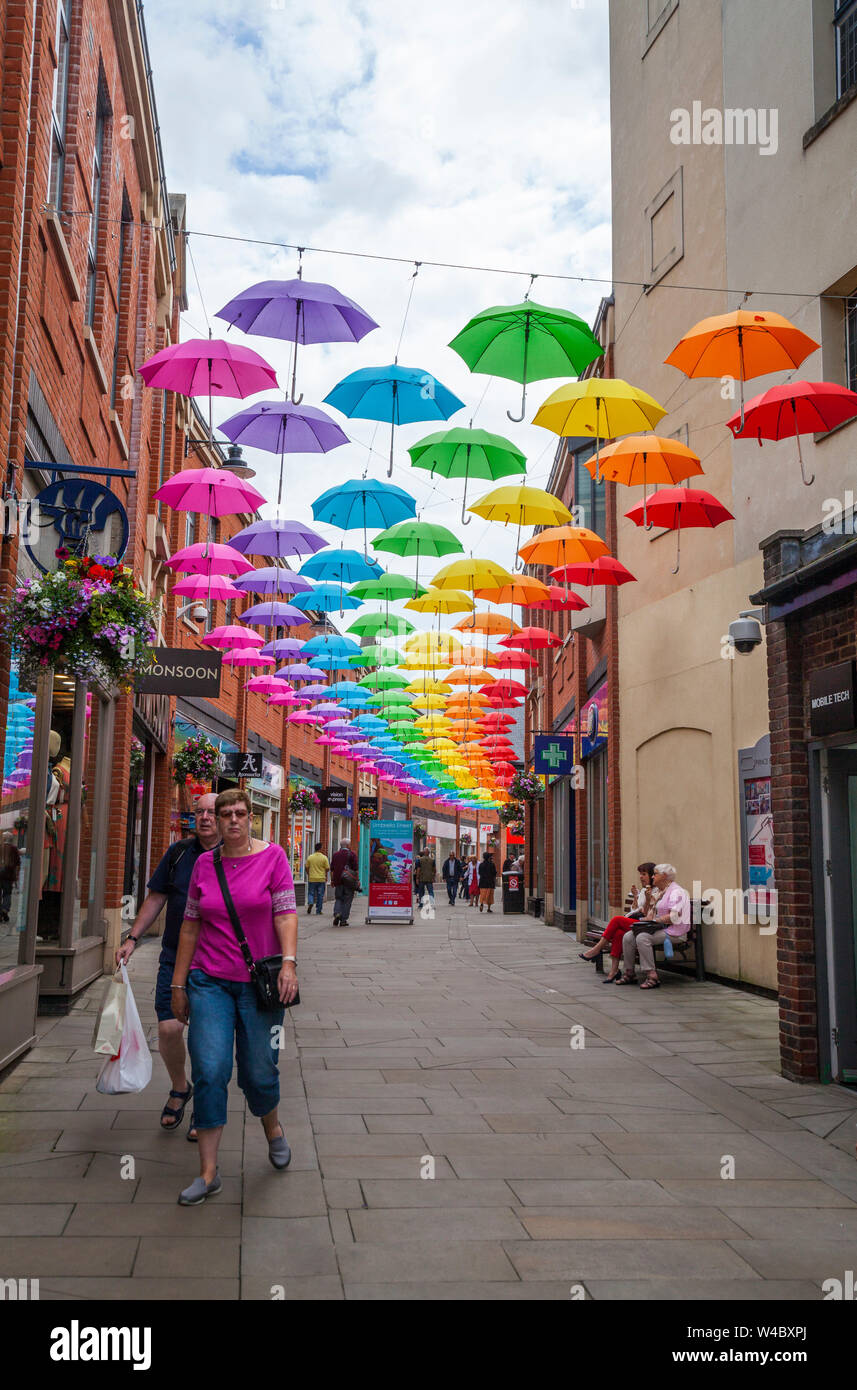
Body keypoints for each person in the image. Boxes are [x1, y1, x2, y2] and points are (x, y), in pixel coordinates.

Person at [170, 787, 298, 1205]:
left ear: (251, 817)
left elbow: (285, 913)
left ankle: (273, 1128)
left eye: (241, 813)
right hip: (209, 983)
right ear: (217, 820)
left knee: (259, 1072)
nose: (233, 821)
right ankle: (208, 1173)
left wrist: (290, 964)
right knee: (209, 1070)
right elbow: (189, 926)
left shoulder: (273, 857)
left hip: (259, 985)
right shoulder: (205, 865)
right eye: (225, 814)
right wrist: (178, 984)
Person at [116, 792, 221, 1137]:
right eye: (199, 812)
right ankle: (180, 1087)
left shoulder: (236, 854)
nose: (204, 817)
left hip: (216, 961)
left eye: (211, 812)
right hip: (175, 955)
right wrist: (132, 937)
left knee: (206, 1039)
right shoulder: (178, 854)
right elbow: (157, 896)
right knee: (168, 1029)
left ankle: (204, 1109)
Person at [579, 862, 658, 983]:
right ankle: (614, 970)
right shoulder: (643, 890)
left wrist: (647, 900)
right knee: (618, 933)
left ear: (652, 875)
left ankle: (596, 949)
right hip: (635, 920)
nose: (641, 877)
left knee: (616, 920)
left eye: (644, 874)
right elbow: (634, 909)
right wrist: (636, 897)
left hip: (644, 924)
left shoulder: (656, 891)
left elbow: (647, 914)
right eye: (640, 874)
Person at [617, 863, 691, 990]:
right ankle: (629, 973)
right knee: (628, 936)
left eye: (655, 874)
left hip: (675, 932)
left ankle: (652, 976)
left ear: (664, 876)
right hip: (660, 928)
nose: (652, 877)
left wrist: (655, 921)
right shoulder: (661, 892)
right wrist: (645, 919)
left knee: (642, 938)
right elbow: (650, 914)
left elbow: (674, 917)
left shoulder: (676, 892)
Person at [330, 838, 359, 926]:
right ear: (348, 845)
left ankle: (337, 913)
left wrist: (332, 880)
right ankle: (343, 920)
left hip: (338, 880)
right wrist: (357, 880)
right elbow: (355, 869)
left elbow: (332, 869)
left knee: (338, 898)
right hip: (349, 882)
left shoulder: (335, 855)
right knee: (347, 900)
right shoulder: (352, 854)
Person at [304, 841, 329, 916]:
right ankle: (318, 910)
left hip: (312, 878)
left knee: (311, 893)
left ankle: (311, 902)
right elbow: (327, 868)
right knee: (320, 895)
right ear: (320, 848)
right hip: (321, 879)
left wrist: (309, 873)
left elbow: (306, 867)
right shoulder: (324, 858)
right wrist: (324, 873)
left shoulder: (310, 857)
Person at [0, 831, 20, 922]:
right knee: (7, 894)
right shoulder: (14, 849)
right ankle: (4, 910)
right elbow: (17, 863)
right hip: (9, 875)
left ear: (3, 839)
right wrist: (16, 876)